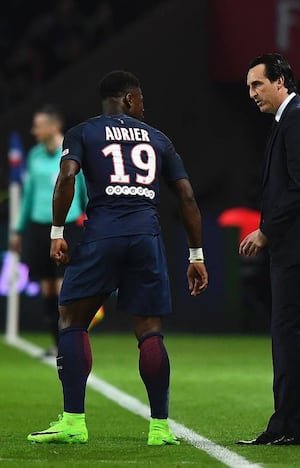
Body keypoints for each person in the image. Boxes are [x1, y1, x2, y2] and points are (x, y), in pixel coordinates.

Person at [27, 70, 208, 446]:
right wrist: (196, 254)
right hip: (147, 236)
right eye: (140, 99)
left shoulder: (82, 132)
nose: (144, 106)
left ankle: (74, 422)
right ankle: (160, 428)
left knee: (72, 320)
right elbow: (187, 197)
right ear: (127, 99)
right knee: (150, 330)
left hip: (102, 234)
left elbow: (66, 178)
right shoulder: (158, 138)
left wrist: (57, 233)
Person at [237, 53, 300, 445]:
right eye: (248, 87)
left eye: (257, 84)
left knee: (286, 334)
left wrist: (266, 232)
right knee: (296, 335)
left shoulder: (298, 118)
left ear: (280, 81)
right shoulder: (295, 117)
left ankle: (288, 425)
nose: (252, 94)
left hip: (299, 242)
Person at [9, 104, 88, 356]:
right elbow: (29, 195)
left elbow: (83, 190)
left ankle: (71, 342)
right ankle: (56, 343)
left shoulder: (72, 153)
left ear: (54, 126)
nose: (34, 130)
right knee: (47, 289)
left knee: (64, 287)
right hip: (38, 227)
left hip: (66, 228)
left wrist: (92, 220)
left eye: (38, 125)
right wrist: (18, 230)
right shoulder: (34, 156)